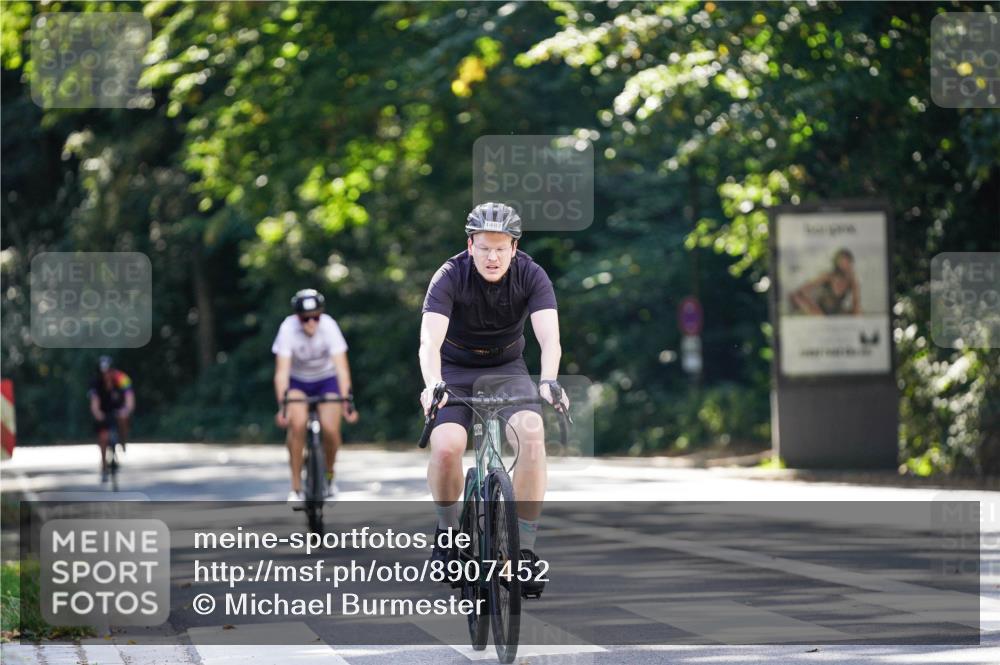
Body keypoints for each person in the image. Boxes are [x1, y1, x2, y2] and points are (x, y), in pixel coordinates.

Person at [418, 201, 569, 598]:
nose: (493, 256)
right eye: (484, 247)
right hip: (455, 372)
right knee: (448, 448)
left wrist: (549, 380)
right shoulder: (449, 276)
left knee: (532, 437)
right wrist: (433, 383)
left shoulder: (532, 275)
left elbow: (549, 339)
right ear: (470, 245)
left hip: (507, 369)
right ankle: (449, 533)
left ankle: (524, 550)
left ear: (514, 248)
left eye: (501, 247)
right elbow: (429, 341)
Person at [273, 288, 358, 503]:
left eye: (316, 317)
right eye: (305, 319)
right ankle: (296, 488)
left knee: (330, 429)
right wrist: (282, 406)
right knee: (298, 424)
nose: (311, 323)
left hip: (326, 380)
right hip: (298, 381)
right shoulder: (287, 328)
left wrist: (347, 402)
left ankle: (329, 476)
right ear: (297, 317)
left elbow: (341, 369)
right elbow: (282, 372)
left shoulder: (329, 326)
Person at [88, 355, 134, 482]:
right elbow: (94, 403)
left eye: (108, 372)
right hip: (104, 411)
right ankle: (104, 466)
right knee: (103, 438)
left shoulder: (122, 378)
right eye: (103, 373)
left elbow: (130, 398)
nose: (106, 375)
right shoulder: (95, 382)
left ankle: (123, 441)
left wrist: (126, 410)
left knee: (123, 419)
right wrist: (98, 414)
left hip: (119, 409)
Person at [788, 248, 861, 316]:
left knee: (857, 312)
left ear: (850, 263)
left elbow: (856, 304)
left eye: (847, 262)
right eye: (841, 262)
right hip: (819, 311)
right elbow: (802, 290)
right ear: (836, 263)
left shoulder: (852, 281)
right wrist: (811, 306)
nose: (844, 265)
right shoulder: (828, 276)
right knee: (796, 296)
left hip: (836, 312)